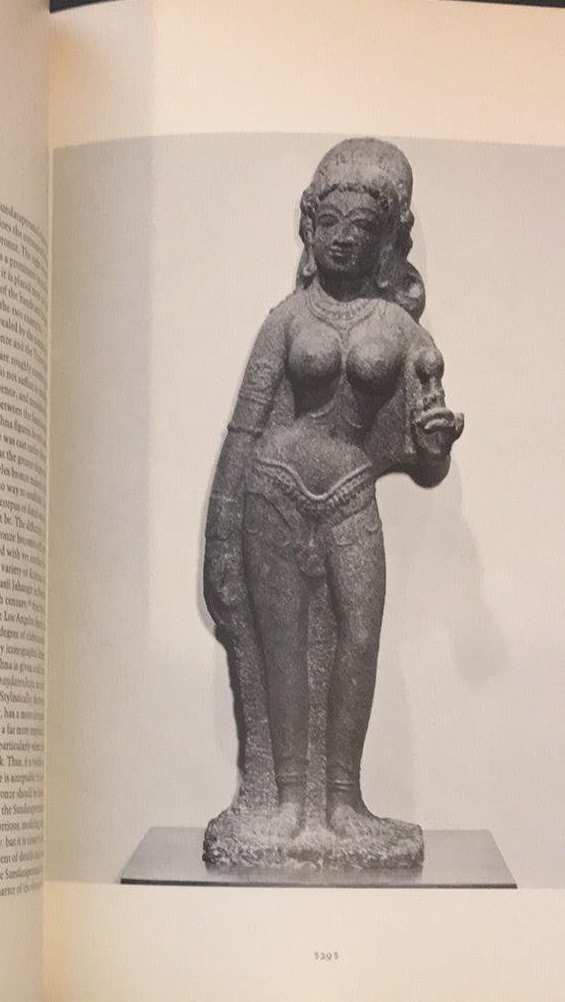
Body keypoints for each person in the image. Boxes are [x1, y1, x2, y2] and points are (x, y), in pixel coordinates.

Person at [203, 139, 463, 853]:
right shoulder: (287, 320)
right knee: (283, 645)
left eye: (361, 226)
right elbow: (245, 429)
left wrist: (436, 443)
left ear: (387, 242)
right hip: (273, 490)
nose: (343, 238)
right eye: (330, 222)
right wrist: (220, 535)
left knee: (361, 637)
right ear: (309, 228)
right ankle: (289, 801)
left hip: (350, 493)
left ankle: (343, 801)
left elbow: (425, 458)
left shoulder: (402, 331)